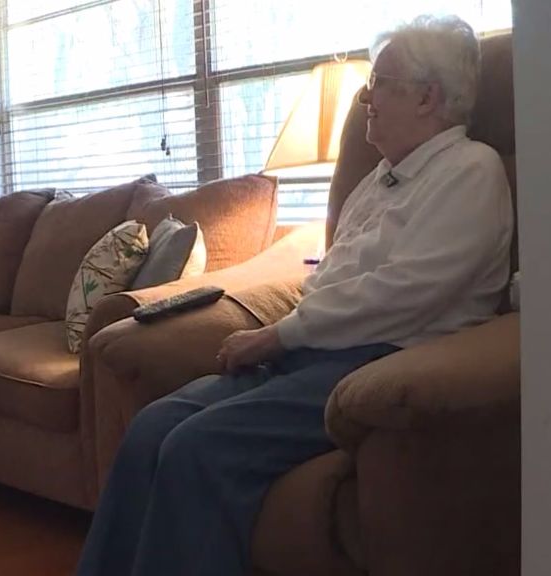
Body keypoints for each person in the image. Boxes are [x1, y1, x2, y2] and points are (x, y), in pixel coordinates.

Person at [76, 14, 513, 576]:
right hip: (312, 352)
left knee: (196, 449)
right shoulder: (379, 179)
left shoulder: (470, 173)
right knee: (151, 428)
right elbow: (329, 277)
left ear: (428, 97)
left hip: (375, 361)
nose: (365, 98)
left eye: (380, 82)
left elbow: (401, 294)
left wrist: (279, 334)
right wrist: (286, 334)